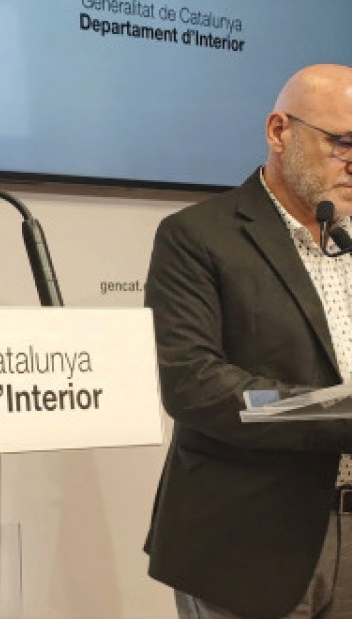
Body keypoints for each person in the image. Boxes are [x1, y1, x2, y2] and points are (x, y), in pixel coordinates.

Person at [144, 63, 352, 619]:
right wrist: (341, 414)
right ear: (280, 131)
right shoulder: (196, 236)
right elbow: (196, 386)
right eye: (342, 143)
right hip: (249, 542)